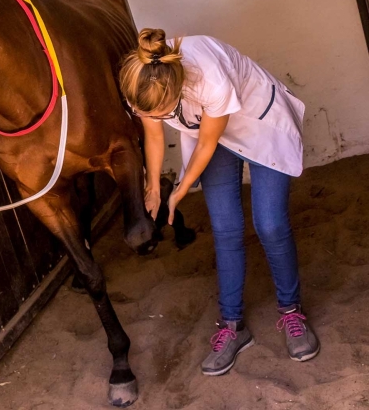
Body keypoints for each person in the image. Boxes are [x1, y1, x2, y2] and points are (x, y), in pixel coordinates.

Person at [119, 28, 319, 376]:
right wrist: (152, 185)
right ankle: (233, 325)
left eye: (160, 111)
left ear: (177, 90)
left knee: (269, 224)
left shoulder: (207, 78)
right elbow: (152, 134)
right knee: (226, 230)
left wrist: (180, 189)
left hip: (258, 123)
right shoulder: (145, 81)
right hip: (211, 133)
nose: (150, 115)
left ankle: (291, 312)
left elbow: (207, 144)